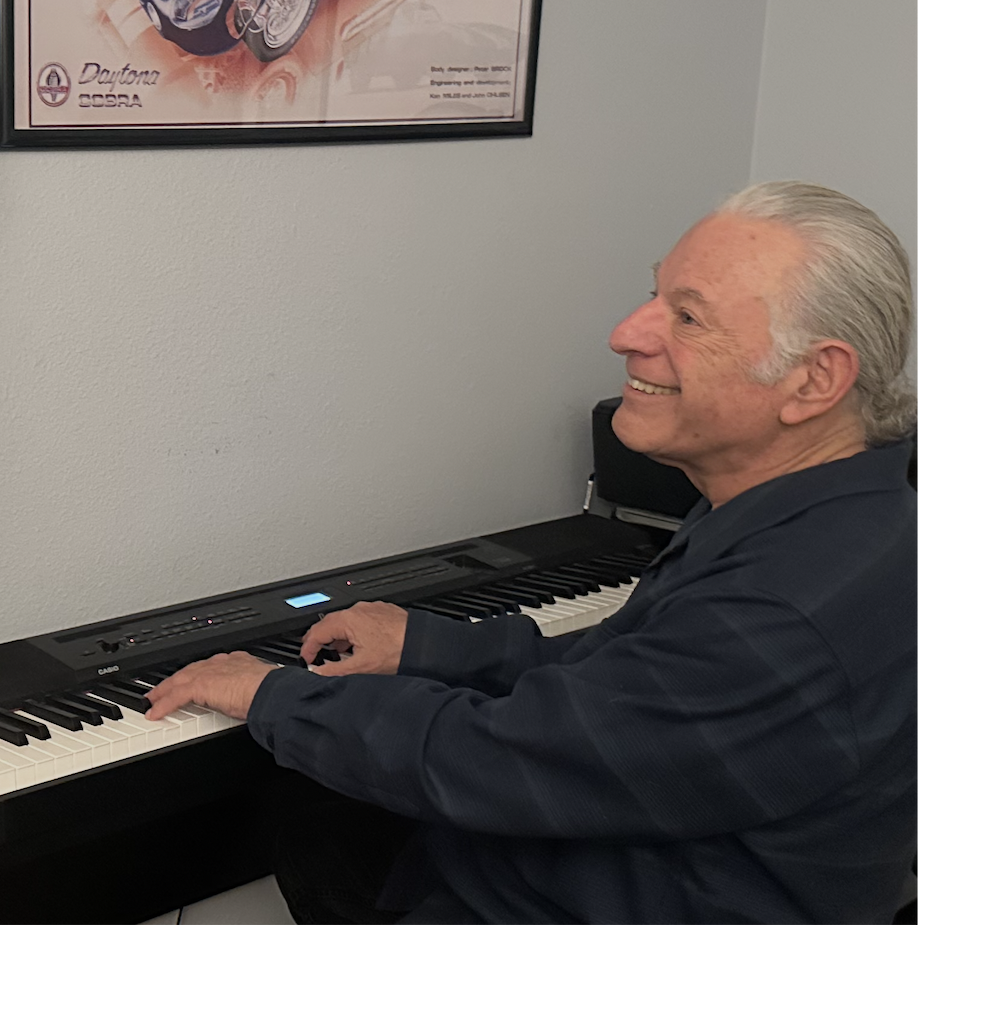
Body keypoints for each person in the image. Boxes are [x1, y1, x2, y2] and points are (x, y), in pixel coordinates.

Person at [147, 182, 916, 922]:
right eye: (655, 294)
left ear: (815, 380)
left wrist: (271, 695)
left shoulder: (790, 604)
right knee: (323, 817)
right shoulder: (840, 513)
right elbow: (629, 689)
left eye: (687, 318)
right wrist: (432, 646)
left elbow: (508, 757)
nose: (627, 334)